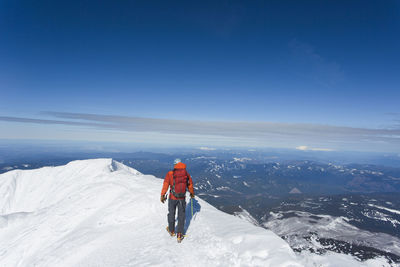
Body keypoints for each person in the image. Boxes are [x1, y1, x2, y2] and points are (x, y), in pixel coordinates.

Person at [160, 158, 195, 242]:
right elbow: (190, 184)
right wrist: (192, 193)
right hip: (182, 198)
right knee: (181, 216)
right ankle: (179, 234)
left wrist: (162, 195)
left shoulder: (170, 173)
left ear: (175, 165)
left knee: (171, 214)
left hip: (172, 197)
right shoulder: (186, 174)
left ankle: (171, 231)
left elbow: (166, 184)